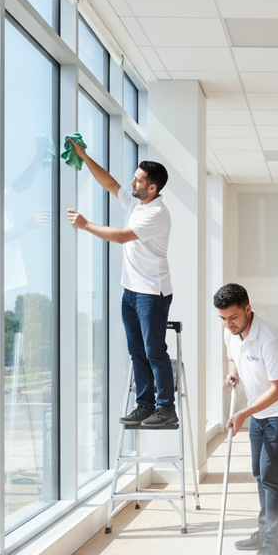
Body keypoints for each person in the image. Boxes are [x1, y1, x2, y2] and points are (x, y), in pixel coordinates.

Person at [66, 139, 176, 429]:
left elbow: (121, 236)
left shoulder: (157, 213)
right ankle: (144, 405)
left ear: (152, 188)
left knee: (154, 351)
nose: (132, 182)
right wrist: (84, 157)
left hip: (152, 293)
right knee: (136, 351)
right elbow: (111, 185)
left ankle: (166, 407)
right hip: (131, 292)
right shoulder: (139, 203)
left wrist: (85, 224)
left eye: (138, 179)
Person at [214, 283, 278, 555]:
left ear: (248, 308)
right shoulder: (231, 332)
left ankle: (274, 547)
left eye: (233, 318)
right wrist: (232, 374)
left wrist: (245, 412)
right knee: (259, 471)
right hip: (259, 409)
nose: (228, 324)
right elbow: (234, 356)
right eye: (223, 319)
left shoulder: (271, 338)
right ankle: (265, 531)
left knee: (272, 476)